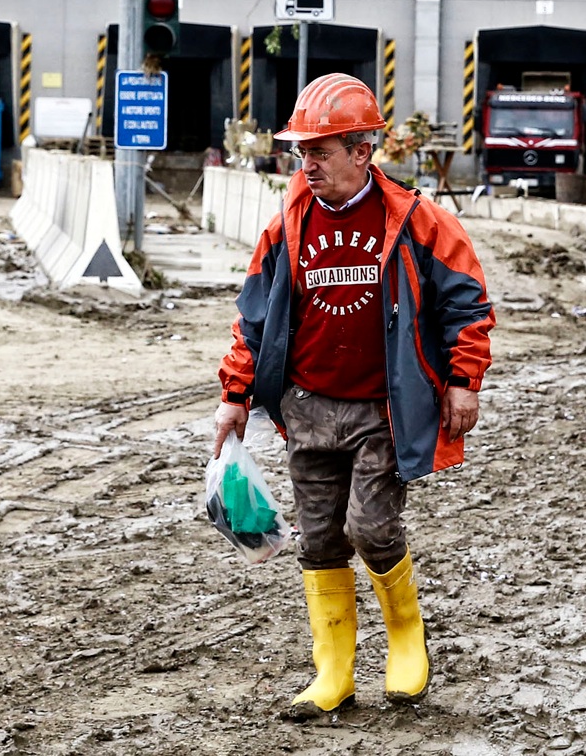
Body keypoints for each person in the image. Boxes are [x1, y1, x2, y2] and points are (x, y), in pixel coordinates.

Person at [213, 73, 495, 717]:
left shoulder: (418, 220)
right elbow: (253, 317)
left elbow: (468, 305)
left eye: (320, 152)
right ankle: (334, 669)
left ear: (363, 153)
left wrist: (462, 380)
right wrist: (237, 391)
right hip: (307, 407)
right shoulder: (288, 224)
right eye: (301, 153)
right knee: (317, 539)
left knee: (371, 526)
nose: (306, 165)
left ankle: (404, 637)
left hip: (382, 410)